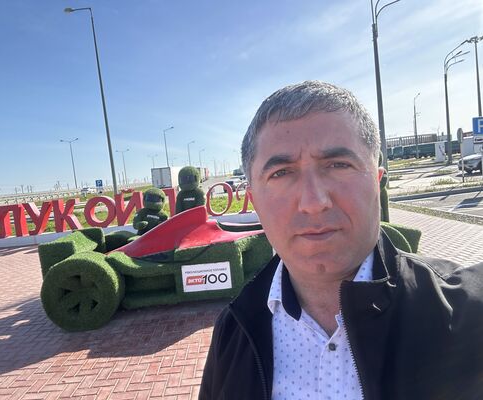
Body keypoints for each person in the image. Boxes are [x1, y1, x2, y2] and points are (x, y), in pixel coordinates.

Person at [199, 81, 483, 399]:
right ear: (254, 201)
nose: (313, 201)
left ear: (377, 183)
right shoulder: (233, 333)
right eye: (281, 173)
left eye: (338, 165)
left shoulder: (469, 314)